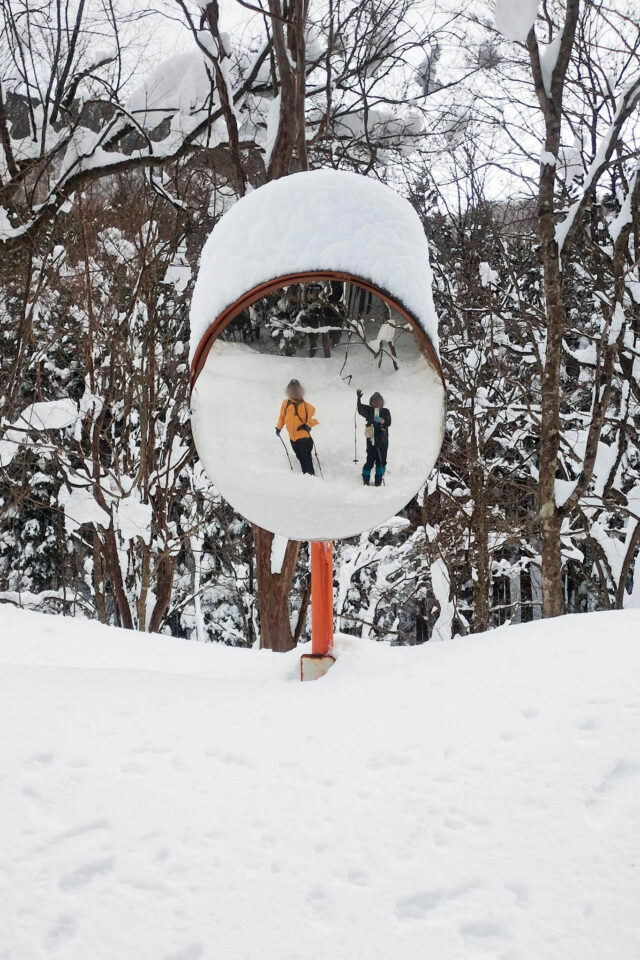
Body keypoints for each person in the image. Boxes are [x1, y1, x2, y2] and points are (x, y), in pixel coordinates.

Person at [276, 379, 318, 476]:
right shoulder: (286, 403)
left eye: (296, 390)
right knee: (299, 457)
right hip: (293, 438)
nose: (294, 392)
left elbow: (315, 419)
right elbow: (282, 417)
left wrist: (308, 425)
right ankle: (308, 476)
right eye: (292, 389)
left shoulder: (306, 406)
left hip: (304, 438)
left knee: (305, 459)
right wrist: (279, 428)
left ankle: (310, 478)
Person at [357, 389, 391, 486]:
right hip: (370, 436)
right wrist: (358, 399)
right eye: (374, 401)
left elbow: (389, 422)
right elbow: (359, 409)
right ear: (371, 402)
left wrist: (380, 421)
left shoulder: (385, 411)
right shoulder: (369, 410)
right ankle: (366, 479)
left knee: (381, 461)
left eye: (378, 401)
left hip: (383, 439)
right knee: (370, 459)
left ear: (382, 402)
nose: (376, 403)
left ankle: (378, 481)